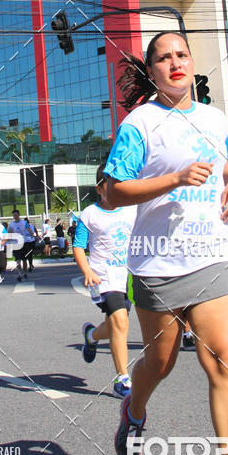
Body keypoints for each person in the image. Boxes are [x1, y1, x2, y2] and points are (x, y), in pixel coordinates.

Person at [104, 30, 228, 455]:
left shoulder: (213, 119)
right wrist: (174, 179)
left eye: (181, 54)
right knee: (159, 362)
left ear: (191, 63)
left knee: (222, 361)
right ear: (151, 71)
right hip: (157, 263)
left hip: (213, 258)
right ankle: (134, 411)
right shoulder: (141, 124)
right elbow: (113, 192)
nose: (174, 63)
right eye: (163, 58)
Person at [73, 165, 136, 398]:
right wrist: (87, 270)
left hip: (129, 275)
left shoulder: (132, 209)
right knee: (120, 322)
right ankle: (122, 380)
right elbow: (79, 245)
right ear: (100, 188)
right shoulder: (90, 214)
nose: (118, 190)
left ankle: (91, 336)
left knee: (115, 326)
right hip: (104, 276)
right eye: (112, 185)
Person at [8, 209, 31, 280]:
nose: (15, 216)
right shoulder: (11, 224)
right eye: (14, 215)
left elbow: (29, 230)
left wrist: (33, 236)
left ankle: (24, 272)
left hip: (23, 243)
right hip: (16, 244)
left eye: (16, 215)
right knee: (18, 260)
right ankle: (19, 274)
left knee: (24, 260)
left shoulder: (24, 222)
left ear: (19, 215)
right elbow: (9, 233)